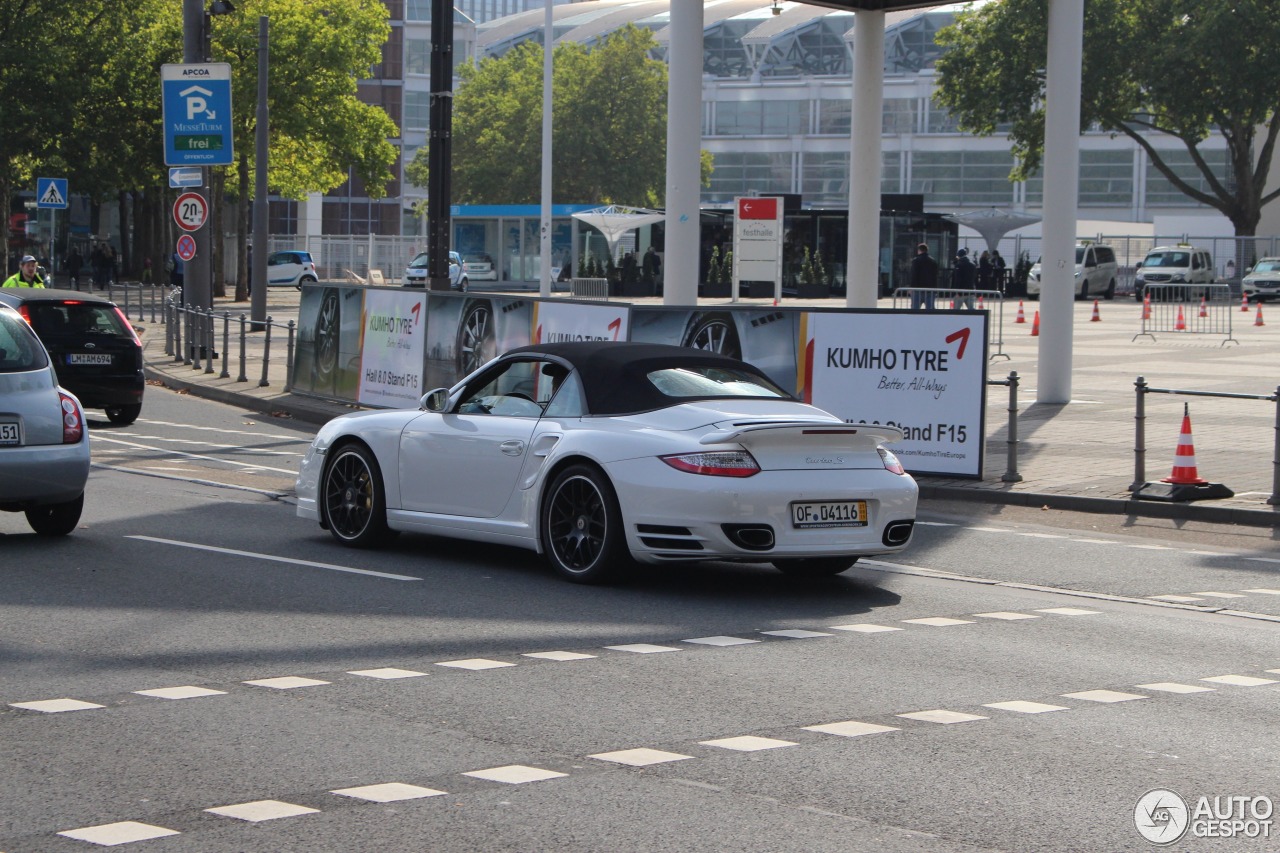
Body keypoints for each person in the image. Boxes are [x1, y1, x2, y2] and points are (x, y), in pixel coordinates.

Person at [909, 243, 937, 310]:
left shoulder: (916, 261)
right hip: (930, 290)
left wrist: (911, 288)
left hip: (917, 290)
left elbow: (914, 275)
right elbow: (935, 275)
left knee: (914, 310)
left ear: (919, 250)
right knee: (930, 311)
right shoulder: (933, 261)